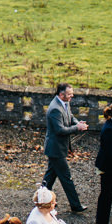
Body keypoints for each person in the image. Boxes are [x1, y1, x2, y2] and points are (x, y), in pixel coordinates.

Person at [42, 83, 88, 214]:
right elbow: (60, 130)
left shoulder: (64, 103)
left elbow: (70, 117)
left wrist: (77, 123)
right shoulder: (55, 109)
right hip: (56, 149)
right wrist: (77, 128)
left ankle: (41, 198)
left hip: (56, 149)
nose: (72, 96)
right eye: (69, 94)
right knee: (66, 178)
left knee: (49, 177)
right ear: (61, 94)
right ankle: (76, 205)